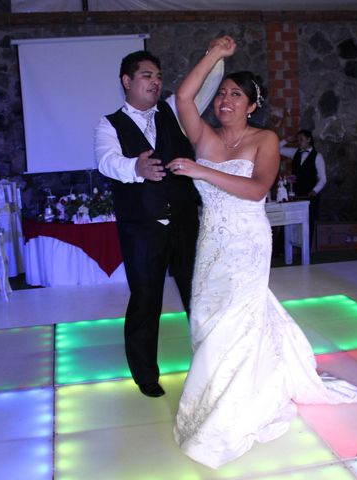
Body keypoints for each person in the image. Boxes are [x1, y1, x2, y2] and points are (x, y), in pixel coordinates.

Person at [167, 36, 357, 469]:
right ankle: (214, 395)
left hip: (247, 244)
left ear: (251, 105)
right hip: (211, 245)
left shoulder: (266, 139)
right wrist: (215, 56)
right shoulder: (202, 134)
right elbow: (184, 96)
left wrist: (200, 169)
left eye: (235, 95)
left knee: (234, 323)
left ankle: (230, 414)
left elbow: (257, 188)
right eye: (221, 93)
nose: (224, 100)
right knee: (206, 318)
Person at [94, 40, 226, 398]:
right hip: (142, 229)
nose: (155, 82)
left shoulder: (173, 110)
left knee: (197, 297)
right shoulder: (109, 125)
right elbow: (107, 160)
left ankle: (211, 365)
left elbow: (205, 85)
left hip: (185, 223)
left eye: (159, 76)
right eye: (146, 76)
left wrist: (215, 55)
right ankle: (145, 376)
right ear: (127, 81)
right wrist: (135, 167)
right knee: (145, 301)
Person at [279, 129, 327, 245]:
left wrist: (314, 191)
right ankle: (282, 248)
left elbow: (323, 178)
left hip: (310, 194)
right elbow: (277, 149)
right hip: (295, 193)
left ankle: (305, 250)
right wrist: (286, 140)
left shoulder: (317, 156)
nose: (299, 142)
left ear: (309, 140)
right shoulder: (294, 152)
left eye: (301, 139)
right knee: (289, 219)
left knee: (308, 221)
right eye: (298, 140)